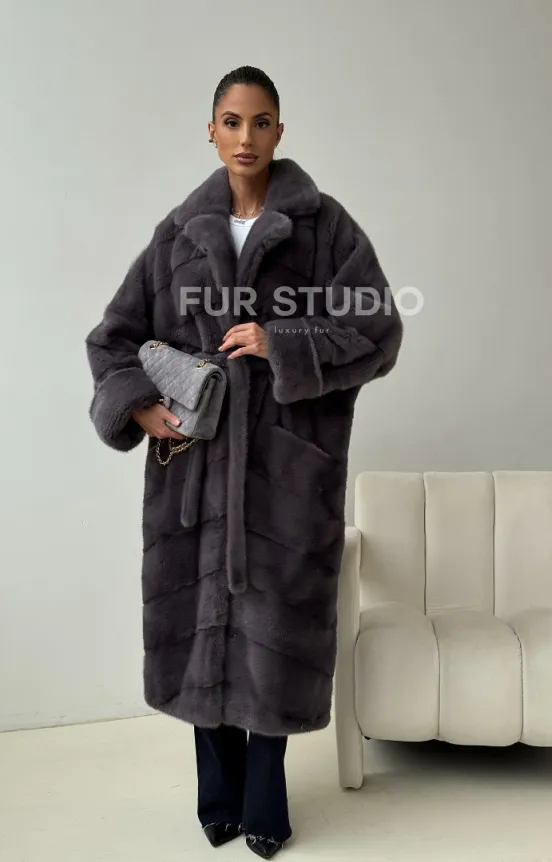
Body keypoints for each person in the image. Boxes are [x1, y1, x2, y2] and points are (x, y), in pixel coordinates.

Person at [85, 65, 403, 858]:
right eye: (231, 121)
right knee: (199, 627)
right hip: (192, 471)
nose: (246, 137)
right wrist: (140, 406)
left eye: (261, 122)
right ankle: (215, 794)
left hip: (287, 476)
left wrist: (279, 340)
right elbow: (113, 339)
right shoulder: (177, 235)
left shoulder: (324, 227)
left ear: (280, 131)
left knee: (275, 626)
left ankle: (265, 793)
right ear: (211, 130)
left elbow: (378, 330)